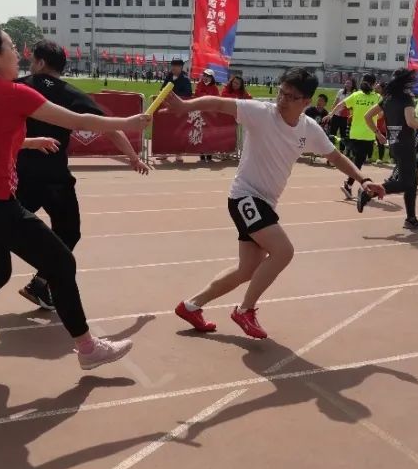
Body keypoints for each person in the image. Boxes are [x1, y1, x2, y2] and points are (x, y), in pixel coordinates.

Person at [0, 24, 150, 373]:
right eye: (11, 47)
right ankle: (88, 348)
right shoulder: (14, 93)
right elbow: (79, 120)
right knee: (61, 264)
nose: (18, 53)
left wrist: (29, 142)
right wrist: (129, 122)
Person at [161, 67, 384, 338]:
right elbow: (218, 103)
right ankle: (245, 310)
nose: (282, 100)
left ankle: (191, 306)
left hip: (265, 202)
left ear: (306, 102)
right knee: (283, 251)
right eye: (281, 92)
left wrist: (363, 179)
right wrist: (185, 106)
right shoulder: (261, 113)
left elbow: (335, 156)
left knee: (247, 269)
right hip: (245, 196)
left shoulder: (309, 129)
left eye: (290, 97)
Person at [359, 68, 418, 230]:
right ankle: (369, 192)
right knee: (406, 182)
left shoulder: (387, 98)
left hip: (394, 144)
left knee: (413, 181)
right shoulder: (406, 98)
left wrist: (378, 133)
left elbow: (367, 116)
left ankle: (411, 218)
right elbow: (410, 121)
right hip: (405, 145)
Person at [326, 74, 381, 199]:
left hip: (354, 133)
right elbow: (382, 113)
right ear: (374, 84)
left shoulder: (356, 95)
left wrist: (330, 114)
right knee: (358, 162)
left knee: (358, 161)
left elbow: (340, 105)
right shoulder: (377, 97)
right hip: (368, 134)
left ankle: (350, 184)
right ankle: (351, 185)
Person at [195, 69, 220, 161]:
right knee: (201, 134)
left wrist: (205, 96)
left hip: (210, 114)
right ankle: (201, 154)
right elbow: (198, 94)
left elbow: (216, 98)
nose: (205, 77)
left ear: (212, 78)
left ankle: (209, 155)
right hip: (200, 113)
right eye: (204, 75)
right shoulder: (199, 84)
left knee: (210, 134)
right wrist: (207, 96)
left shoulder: (214, 87)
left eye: (208, 76)